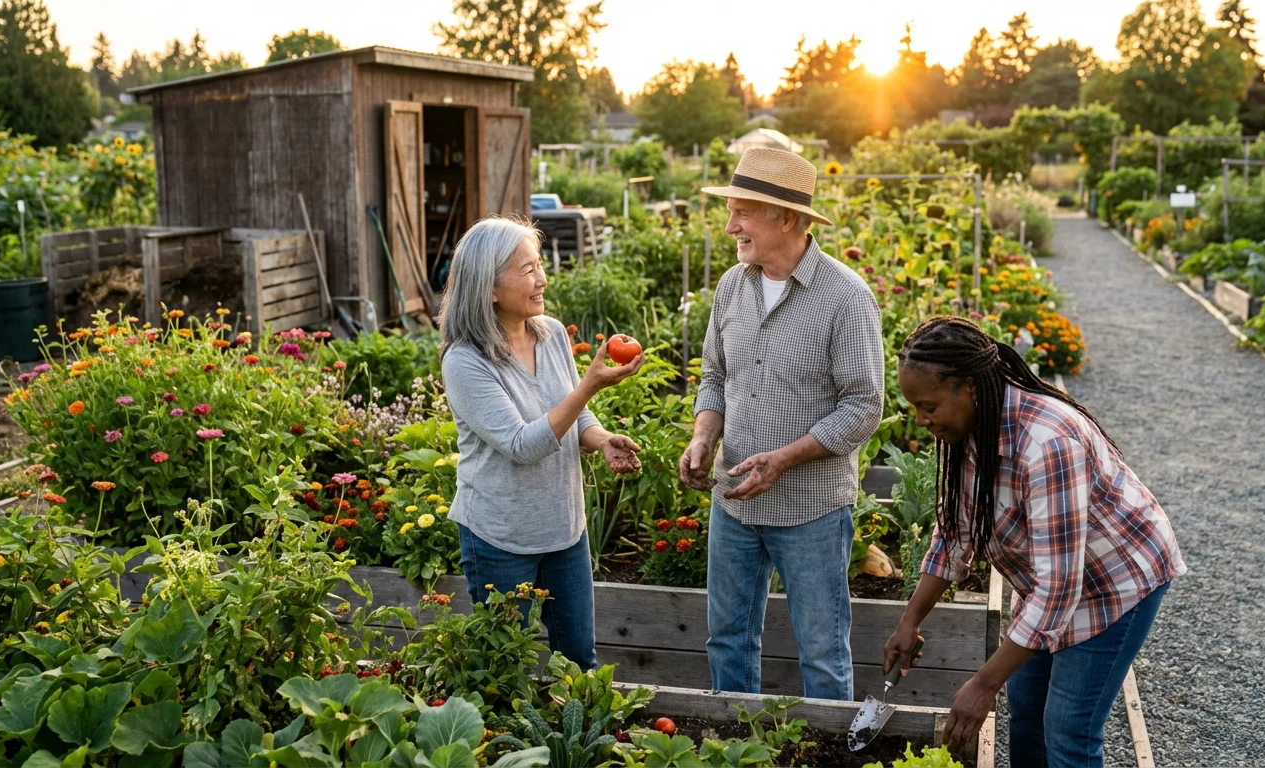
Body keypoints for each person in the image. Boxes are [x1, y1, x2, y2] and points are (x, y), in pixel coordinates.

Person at [883, 316, 1186, 766]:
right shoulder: (965, 428)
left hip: (1115, 582)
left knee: (1068, 730)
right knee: (1026, 711)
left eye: (928, 406)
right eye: (915, 408)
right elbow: (955, 535)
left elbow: (1059, 589)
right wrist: (910, 619)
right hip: (1052, 581)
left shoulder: (1048, 443)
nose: (922, 420)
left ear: (970, 386)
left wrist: (983, 684)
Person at [681, 147, 885, 700]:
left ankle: (826, 756)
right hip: (734, 502)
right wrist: (703, 436)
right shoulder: (732, 286)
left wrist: (783, 459)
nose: (731, 226)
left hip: (812, 507)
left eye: (743, 212)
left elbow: (864, 406)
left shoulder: (846, 298)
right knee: (727, 639)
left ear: (788, 218)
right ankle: (737, 751)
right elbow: (714, 378)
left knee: (821, 651)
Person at [439, 216, 644, 668]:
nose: (542, 279)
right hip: (501, 537)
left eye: (539, 266)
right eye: (528, 270)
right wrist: (589, 386)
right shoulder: (465, 361)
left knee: (578, 662)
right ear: (490, 287)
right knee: (506, 668)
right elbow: (520, 444)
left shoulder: (548, 334)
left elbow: (573, 414)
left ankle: (577, 740)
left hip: (564, 530)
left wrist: (602, 438)